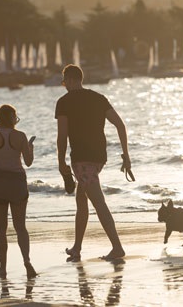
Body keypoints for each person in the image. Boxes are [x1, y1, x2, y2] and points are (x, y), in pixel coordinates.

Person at [55, 64, 132, 261]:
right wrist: (126, 155)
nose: (64, 86)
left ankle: (117, 248)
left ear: (71, 79)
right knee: (81, 199)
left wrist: (61, 161)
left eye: (64, 82)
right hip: (98, 157)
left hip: (81, 159)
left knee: (98, 202)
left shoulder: (64, 102)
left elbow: (62, 135)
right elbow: (120, 125)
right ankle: (77, 248)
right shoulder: (99, 98)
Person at [0, 104, 37, 278]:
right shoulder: (20, 136)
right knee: (21, 227)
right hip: (17, 183)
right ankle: (27, 261)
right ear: (13, 118)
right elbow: (28, 162)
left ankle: (3, 268)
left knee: (1, 229)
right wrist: (30, 148)